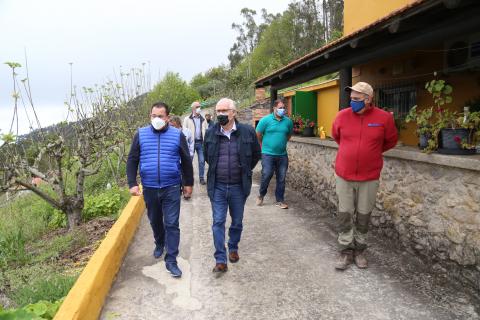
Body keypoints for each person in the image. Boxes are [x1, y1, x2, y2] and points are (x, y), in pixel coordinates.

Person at [331, 82, 397, 270]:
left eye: (356, 99)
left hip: (369, 177)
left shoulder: (384, 118)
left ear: (368, 99)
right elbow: (336, 136)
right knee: (344, 214)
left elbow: (390, 141)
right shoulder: (342, 116)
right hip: (344, 175)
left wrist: (371, 152)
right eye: (351, 98)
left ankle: (359, 250)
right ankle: (345, 251)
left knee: (363, 215)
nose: (352, 102)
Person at [127, 102, 194, 278]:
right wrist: (132, 183)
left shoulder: (176, 135)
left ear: (167, 117)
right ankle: (159, 242)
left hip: (171, 187)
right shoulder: (140, 135)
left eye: (160, 116)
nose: (157, 119)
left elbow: (186, 161)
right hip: (149, 187)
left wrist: (188, 184)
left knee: (172, 223)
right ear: (150, 116)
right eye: (153, 116)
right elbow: (132, 159)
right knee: (155, 220)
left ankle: (171, 260)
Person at [203, 98, 261, 273]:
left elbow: (256, 155)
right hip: (218, 186)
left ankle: (233, 247)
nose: (220, 114)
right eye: (218, 111)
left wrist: (244, 169)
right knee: (218, 222)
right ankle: (220, 258)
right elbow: (207, 156)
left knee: (236, 222)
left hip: (238, 186)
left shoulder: (247, 132)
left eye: (224, 111)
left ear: (233, 113)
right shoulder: (211, 133)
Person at [255, 99, 293, 209]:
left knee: (281, 178)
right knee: (266, 174)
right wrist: (263, 145)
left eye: (283, 108)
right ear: (274, 108)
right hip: (267, 154)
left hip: (282, 155)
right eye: (280, 108)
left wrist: (281, 143)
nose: (282, 110)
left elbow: (289, 135)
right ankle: (261, 195)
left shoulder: (288, 121)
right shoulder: (265, 120)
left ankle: (280, 200)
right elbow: (258, 134)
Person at [183, 101, 208, 185]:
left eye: (199, 106)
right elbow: (184, 131)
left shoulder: (203, 118)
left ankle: (201, 178)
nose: (199, 108)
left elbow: (206, 130)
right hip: (191, 143)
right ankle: (189, 178)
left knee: (202, 160)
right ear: (193, 108)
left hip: (201, 143)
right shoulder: (187, 119)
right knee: (189, 161)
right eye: (197, 106)